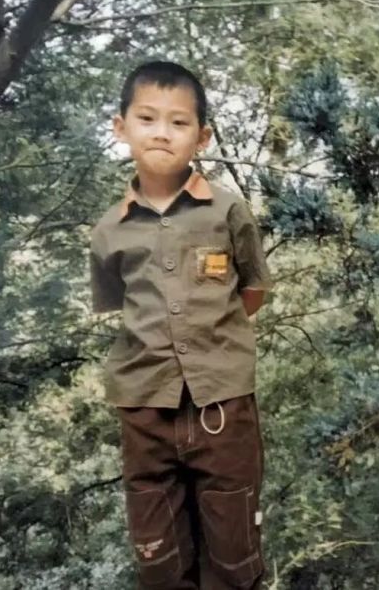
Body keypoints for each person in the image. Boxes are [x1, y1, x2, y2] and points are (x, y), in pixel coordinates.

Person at [89, 60, 272, 589]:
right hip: (145, 408)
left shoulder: (228, 212)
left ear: (202, 136)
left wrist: (212, 351)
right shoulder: (109, 231)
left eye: (178, 122)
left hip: (223, 406)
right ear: (121, 127)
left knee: (234, 552)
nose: (162, 133)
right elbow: (124, 309)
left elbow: (252, 291)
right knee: (159, 555)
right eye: (147, 118)